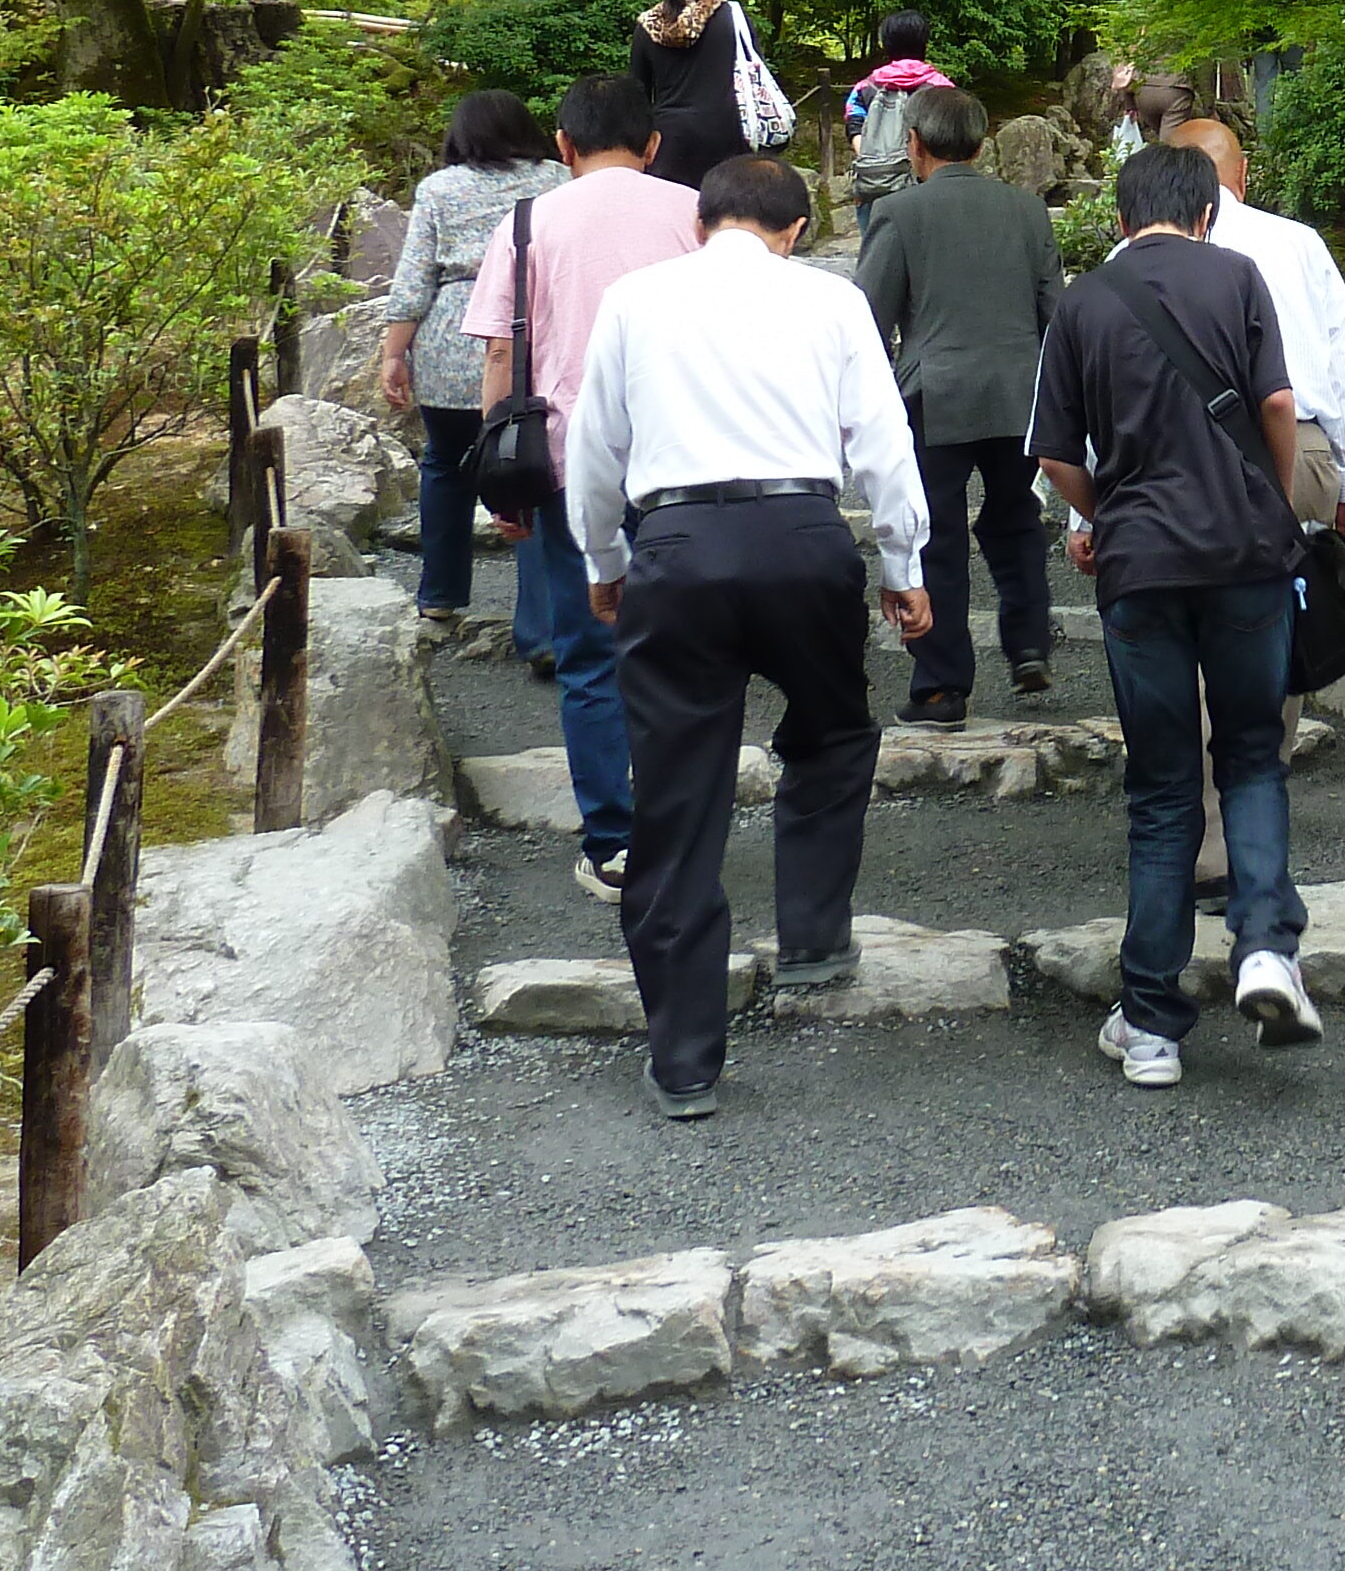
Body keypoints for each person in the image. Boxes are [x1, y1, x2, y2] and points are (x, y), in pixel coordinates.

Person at [568, 156, 931, 1120]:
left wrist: (603, 558)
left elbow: (595, 443)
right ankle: (812, 935)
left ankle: (685, 1059)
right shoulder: (833, 301)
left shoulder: (636, 299)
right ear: (797, 228)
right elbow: (883, 444)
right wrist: (906, 567)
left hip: (677, 545)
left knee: (679, 795)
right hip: (804, 538)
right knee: (835, 728)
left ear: (701, 224)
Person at [1027, 140, 1316, 1088]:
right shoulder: (1238, 276)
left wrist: (1107, 513)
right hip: (1245, 556)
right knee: (1249, 756)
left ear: (1119, 220)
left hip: (1141, 568)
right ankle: (1266, 946)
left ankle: (1151, 1021)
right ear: (1207, 211)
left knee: (1159, 789)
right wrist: (1271, 497)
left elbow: (1056, 454)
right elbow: (1276, 400)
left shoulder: (1083, 301)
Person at [462, 71, 698, 903]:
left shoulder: (527, 221)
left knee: (591, 661)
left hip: (566, 464)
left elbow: (497, 353)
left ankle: (614, 843)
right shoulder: (694, 211)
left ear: (562, 145)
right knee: (682, 656)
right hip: (683, 464)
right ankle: (682, 833)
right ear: (653, 144)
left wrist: (500, 485)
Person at [1165, 114, 1345, 883]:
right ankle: (1253, 806)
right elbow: (1339, 366)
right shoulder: (1299, 243)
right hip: (1301, 450)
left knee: (1186, 626)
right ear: (1241, 174)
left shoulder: (1142, 250)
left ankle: (1197, 829)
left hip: (1183, 463)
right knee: (1275, 624)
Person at [856, 84, 1063, 719]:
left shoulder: (899, 213)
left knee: (936, 533)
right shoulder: (1026, 211)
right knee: (1015, 518)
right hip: (1019, 391)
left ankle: (943, 685)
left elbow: (868, 313)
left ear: (913, 144)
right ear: (981, 144)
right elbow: (1055, 310)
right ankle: (1028, 644)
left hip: (934, 394)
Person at [374, 90, 564, 637]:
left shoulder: (439, 189)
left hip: (451, 341)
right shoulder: (555, 180)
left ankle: (439, 596)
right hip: (529, 338)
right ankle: (544, 628)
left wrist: (393, 354)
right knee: (534, 473)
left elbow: (414, 281)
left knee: (444, 465)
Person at [628, 0, 757, 191]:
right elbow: (754, 70)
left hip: (669, 145)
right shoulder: (731, 16)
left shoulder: (645, 28)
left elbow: (638, 95)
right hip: (728, 136)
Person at [842, 10, 953, 239]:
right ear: (924, 43)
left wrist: (878, 165)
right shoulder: (943, 89)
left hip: (875, 187)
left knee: (877, 255)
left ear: (886, 44)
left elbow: (853, 125)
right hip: (927, 189)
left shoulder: (866, 86)